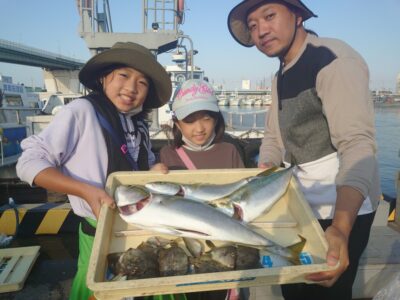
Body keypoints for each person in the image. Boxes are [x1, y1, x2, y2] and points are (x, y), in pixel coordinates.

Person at [227, 1, 380, 300]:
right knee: (293, 286)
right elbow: (273, 136)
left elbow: (357, 145)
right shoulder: (279, 75)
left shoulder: (332, 59)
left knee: (326, 292)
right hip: (299, 200)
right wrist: (265, 172)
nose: (261, 31)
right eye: (254, 25)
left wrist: (340, 227)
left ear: (297, 15)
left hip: (340, 208)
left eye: (269, 16)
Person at [16, 42, 172, 300]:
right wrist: (84, 190)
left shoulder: (140, 126)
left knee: (146, 287)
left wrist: (153, 169)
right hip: (96, 231)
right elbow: (29, 161)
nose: (131, 88)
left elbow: (140, 168)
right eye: (123, 75)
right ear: (103, 77)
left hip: (139, 228)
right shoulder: (81, 112)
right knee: (100, 289)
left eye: (142, 83)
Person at [159, 79, 245, 300]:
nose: (199, 128)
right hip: (187, 246)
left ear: (216, 119)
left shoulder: (230, 150)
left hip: (223, 243)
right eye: (189, 120)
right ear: (177, 123)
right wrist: (154, 173)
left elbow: (242, 196)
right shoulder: (168, 156)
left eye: (207, 118)